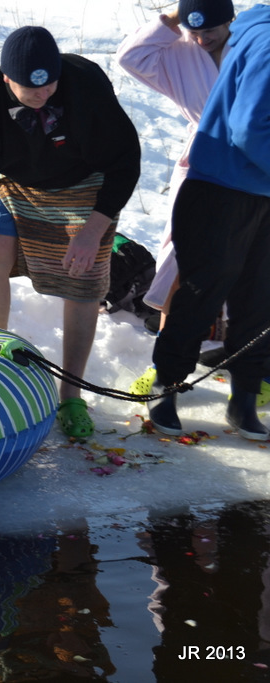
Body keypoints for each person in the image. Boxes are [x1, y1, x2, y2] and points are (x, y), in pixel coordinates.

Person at [0, 26, 141, 440]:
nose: (43, 94)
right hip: (20, 183)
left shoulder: (85, 86)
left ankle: (71, 394)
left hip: (86, 181)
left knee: (82, 274)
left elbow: (126, 161)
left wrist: (93, 231)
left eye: (50, 85)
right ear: (7, 77)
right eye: (31, 88)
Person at [147, 3, 270, 442]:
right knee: (202, 294)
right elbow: (249, 127)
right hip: (221, 188)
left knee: (259, 299)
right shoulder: (267, 40)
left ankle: (244, 397)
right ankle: (165, 386)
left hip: (260, 193)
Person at [116, 0, 235, 396]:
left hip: (256, 167)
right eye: (193, 30)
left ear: (230, 20)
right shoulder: (180, 51)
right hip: (201, 164)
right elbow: (130, 57)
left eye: (210, 31)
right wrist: (172, 17)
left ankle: (255, 369)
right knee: (178, 262)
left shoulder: (254, 45)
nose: (201, 39)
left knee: (254, 267)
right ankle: (164, 366)